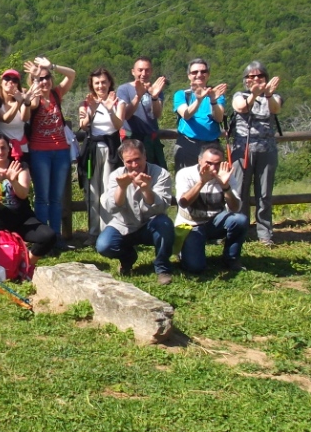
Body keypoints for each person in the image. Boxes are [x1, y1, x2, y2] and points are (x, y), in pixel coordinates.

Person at [96, 139, 175, 285]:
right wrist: (122, 188)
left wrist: (146, 189)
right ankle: (128, 259)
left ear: (145, 156)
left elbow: (161, 208)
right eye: (129, 161)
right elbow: (112, 207)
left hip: (151, 224)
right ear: (123, 161)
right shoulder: (116, 176)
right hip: (124, 224)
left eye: (137, 159)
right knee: (104, 245)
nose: (134, 165)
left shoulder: (161, 174)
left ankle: (162, 268)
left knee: (165, 224)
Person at [0, 134, 57, 263]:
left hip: (21, 219)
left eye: (3, 148)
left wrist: (13, 180)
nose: (0, 152)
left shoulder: (21, 166)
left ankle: (27, 262)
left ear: (9, 149)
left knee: (49, 236)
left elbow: (23, 194)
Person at [24, 56, 77, 250]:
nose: (44, 81)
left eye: (47, 77)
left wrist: (51, 66)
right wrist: (34, 84)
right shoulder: (35, 98)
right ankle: (42, 239)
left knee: (56, 198)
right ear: (34, 82)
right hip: (40, 153)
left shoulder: (56, 94)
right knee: (42, 197)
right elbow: (29, 108)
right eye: (40, 79)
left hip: (61, 151)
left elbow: (72, 74)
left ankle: (56, 238)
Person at [231, 62, 283, 245]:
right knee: (239, 192)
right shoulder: (240, 95)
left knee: (265, 193)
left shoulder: (273, 96)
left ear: (266, 78)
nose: (255, 79)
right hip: (242, 149)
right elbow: (241, 108)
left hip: (267, 150)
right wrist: (254, 94)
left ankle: (265, 233)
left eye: (259, 76)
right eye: (251, 77)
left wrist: (267, 94)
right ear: (245, 80)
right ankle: (239, 230)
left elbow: (275, 109)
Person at [175, 145, 248, 273]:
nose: (213, 168)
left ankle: (231, 259)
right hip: (191, 224)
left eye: (217, 164)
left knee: (240, 220)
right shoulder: (185, 174)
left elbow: (235, 208)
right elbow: (183, 203)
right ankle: (185, 252)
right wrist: (201, 182)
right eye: (208, 163)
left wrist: (225, 187)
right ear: (199, 160)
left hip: (214, 222)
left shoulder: (227, 175)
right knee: (195, 268)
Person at [78, 67, 125, 244]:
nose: (100, 86)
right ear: (92, 85)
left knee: (108, 190)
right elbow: (83, 125)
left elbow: (119, 123)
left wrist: (109, 108)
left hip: (111, 149)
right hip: (91, 150)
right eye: (97, 83)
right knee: (92, 191)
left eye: (104, 82)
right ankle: (93, 232)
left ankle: (108, 231)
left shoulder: (118, 102)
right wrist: (91, 110)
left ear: (110, 83)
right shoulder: (87, 102)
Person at [173, 58, 227, 171]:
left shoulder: (216, 95)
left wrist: (213, 100)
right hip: (188, 145)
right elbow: (186, 115)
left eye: (203, 72)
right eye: (195, 72)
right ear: (189, 75)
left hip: (212, 146)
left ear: (208, 74)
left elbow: (219, 117)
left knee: (213, 184)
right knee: (186, 183)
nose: (199, 75)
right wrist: (199, 100)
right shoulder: (182, 94)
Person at [116, 57, 168, 169]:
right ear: (133, 71)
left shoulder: (156, 89)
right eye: (140, 70)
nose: (144, 73)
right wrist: (138, 96)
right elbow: (126, 115)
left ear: (151, 71)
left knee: (156, 175)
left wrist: (154, 96)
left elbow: (157, 114)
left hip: (151, 139)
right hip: (131, 139)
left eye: (147, 70)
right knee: (132, 175)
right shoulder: (123, 89)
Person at [0, 68, 34, 162]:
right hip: (1, 152)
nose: (10, 82)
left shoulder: (21, 101)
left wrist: (26, 102)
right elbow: (5, 118)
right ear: (1, 82)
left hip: (22, 149)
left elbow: (25, 118)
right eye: (7, 78)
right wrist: (18, 102)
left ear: (18, 84)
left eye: (14, 80)